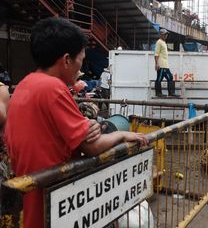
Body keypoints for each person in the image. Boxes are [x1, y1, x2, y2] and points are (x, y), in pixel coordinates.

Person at [4, 17, 148, 228]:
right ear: (66, 60)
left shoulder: (25, 85)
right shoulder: (53, 88)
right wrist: (122, 134)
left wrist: (87, 126)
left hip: (32, 197)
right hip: (55, 203)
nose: (81, 66)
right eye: (81, 58)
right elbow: (92, 147)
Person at [154, 28, 177, 97]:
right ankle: (158, 93)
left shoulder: (163, 42)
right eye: (164, 34)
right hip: (161, 65)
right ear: (161, 35)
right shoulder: (159, 42)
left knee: (170, 77)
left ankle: (171, 93)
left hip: (165, 65)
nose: (166, 36)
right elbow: (156, 54)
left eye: (166, 34)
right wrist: (157, 63)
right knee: (160, 78)